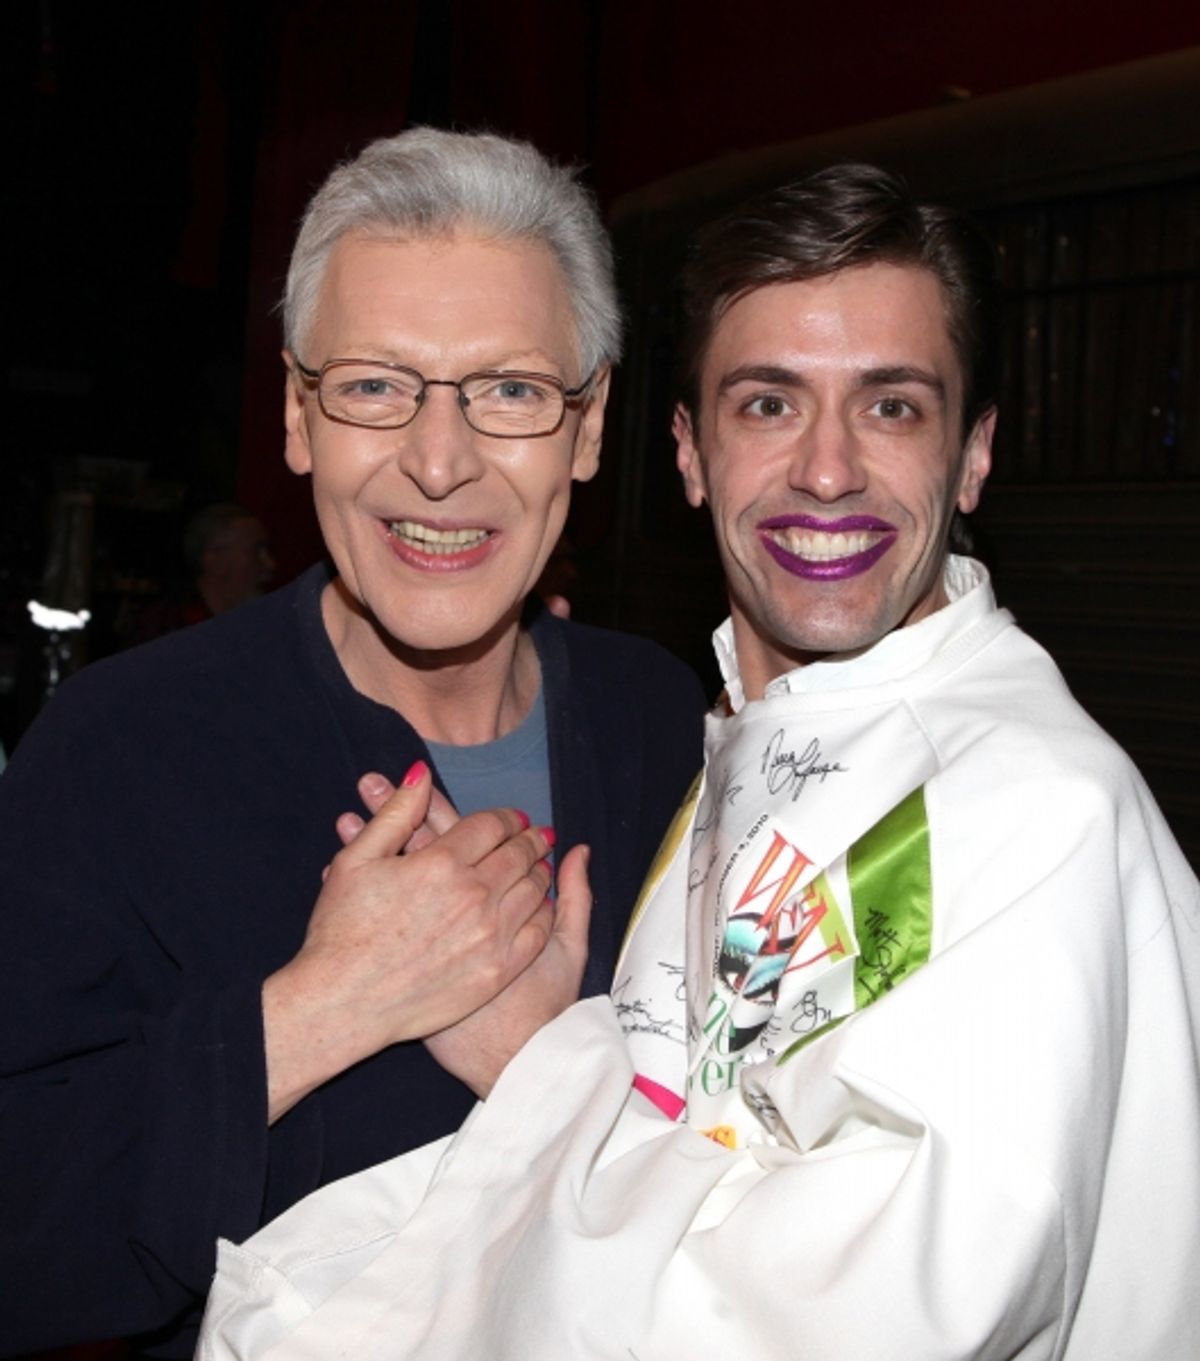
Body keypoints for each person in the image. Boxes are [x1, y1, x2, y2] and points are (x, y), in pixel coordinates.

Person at [199, 165, 1200, 1360]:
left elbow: (838, 1327)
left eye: (891, 407)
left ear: (974, 455)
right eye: (767, 405)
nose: (827, 470)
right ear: (686, 453)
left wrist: (539, 1058)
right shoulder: (739, 738)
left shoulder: (1032, 813)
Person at [0, 129, 705, 1358]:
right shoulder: (116, 751)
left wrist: (546, 1070)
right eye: (377, 384)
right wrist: (325, 1007)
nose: (440, 461)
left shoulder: (668, 725)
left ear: (588, 433)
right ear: (296, 415)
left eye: (512, 390)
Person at [125, 503, 276, 646]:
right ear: (215, 560)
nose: (270, 564)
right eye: (256, 551)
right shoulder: (166, 631)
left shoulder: (257, 629)